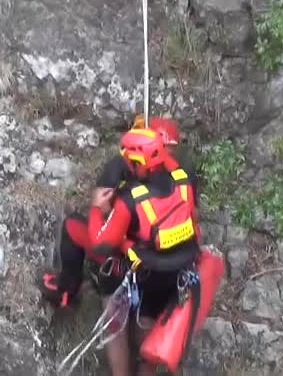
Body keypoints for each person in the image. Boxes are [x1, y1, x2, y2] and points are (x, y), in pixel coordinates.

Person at [40, 117, 199, 309]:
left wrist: (97, 208)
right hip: (168, 259)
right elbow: (191, 217)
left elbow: (102, 233)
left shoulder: (124, 178)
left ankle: (66, 289)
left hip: (130, 256)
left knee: (72, 226)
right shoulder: (182, 176)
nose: (168, 151)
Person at [85, 128, 202, 376]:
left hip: (149, 278)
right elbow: (192, 219)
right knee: (150, 353)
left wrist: (96, 209)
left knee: (141, 342)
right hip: (179, 273)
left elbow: (100, 243)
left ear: (138, 162)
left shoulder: (130, 200)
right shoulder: (183, 182)